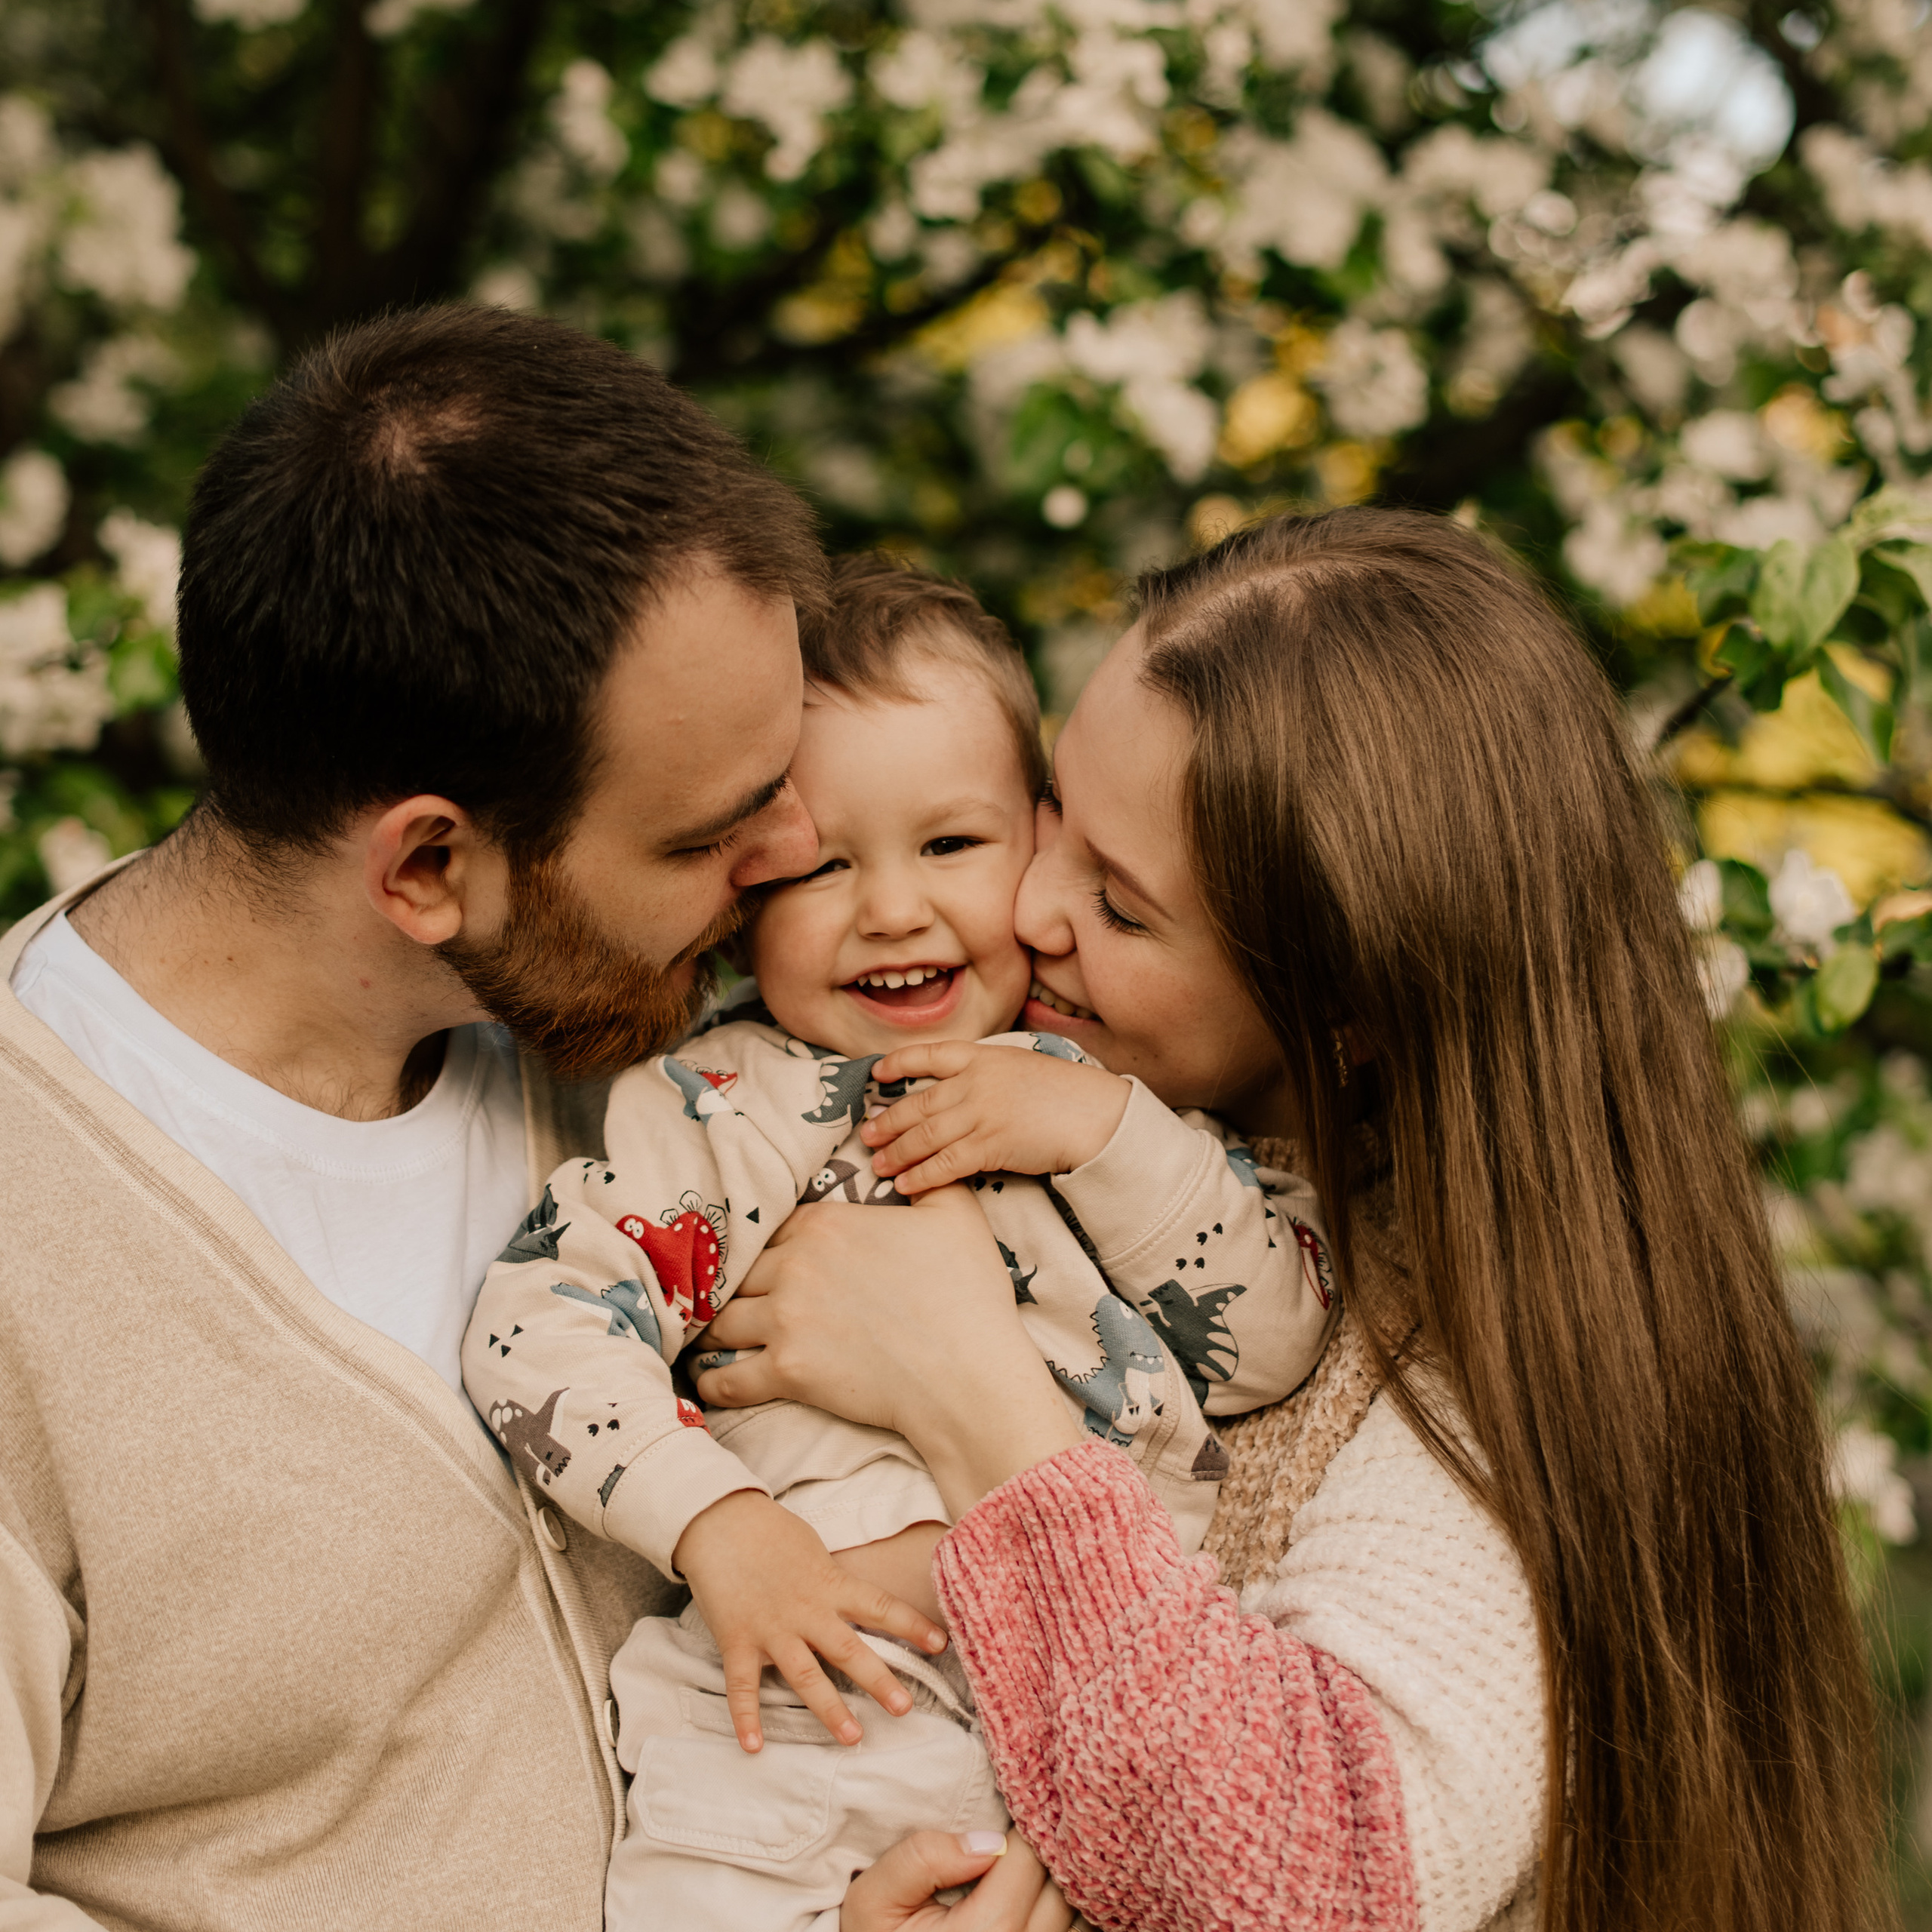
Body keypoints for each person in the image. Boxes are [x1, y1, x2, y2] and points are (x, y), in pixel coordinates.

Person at [698, 506, 1885, 1932]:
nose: (1027, 904)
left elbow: (1307, 1883)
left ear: (1349, 1012)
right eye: (1055, 813)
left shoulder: (1499, 1390)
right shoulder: (959, 1113)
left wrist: (965, 1386)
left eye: (1120, 906)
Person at [0, 303, 845, 1929]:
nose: (800, 849)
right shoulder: (29, 1261)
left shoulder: (668, 1064)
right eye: (702, 837)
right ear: (429, 867)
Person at [464, 555, 1339, 1931]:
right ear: (745, 897)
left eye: (950, 846)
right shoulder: (735, 1108)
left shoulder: (1125, 1103)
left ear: (1040, 842)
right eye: (824, 865)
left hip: (1087, 1722)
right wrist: (718, 1526)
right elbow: (544, 1322)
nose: (891, 908)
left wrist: (1101, 1130)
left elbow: (1273, 1346)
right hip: (801, 1707)